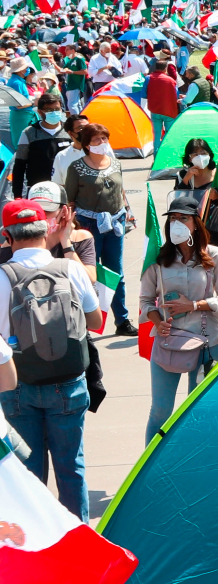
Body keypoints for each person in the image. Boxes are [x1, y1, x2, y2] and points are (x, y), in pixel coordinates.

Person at [0, 198, 105, 518]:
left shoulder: (3, 276)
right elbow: (96, 321)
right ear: (46, 231)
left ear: (7, 237)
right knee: (72, 469)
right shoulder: (71, 268)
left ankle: (40, 548)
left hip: (20, 384)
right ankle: (82, 547)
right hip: (69, 382)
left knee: (28, 474)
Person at [138, 190, 218, 443]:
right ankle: (150, 469)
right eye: (173, 219)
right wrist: (158, 323)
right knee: (160, 411)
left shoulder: (213, 255)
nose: (177, 224)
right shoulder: (158, 259)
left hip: (206, 343)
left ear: (196, 223)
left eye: (184, 218)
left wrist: (193, 305)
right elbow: (146, 301)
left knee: (198, 411)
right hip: (169, 342)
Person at [63, 121, 132, 335]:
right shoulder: (76, 168)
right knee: (88, 274)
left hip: (115, 224)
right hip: (88, 225)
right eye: (96, 140)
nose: (101, 143)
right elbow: (70, 199)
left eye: (104, 139)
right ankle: (89, 321)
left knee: (116, 272)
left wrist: (127, 211)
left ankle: (122, 320)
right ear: (86, 145)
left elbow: (121, 191)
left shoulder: (115, 163)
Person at [170, 137, 218, 253]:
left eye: (203, 153)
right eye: (195, 154)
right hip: (191, 227)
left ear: (209, 155)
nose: (200, 157)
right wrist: (187, 178)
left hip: (216, 227)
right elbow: (177, 200)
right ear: (189, 158)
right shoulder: (183, 174)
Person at [10, 90, 67, 199]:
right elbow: (19, 166)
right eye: (49, 110)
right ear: (40, 112)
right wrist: (17, 195)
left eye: (57, 109)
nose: (54, 112)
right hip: (38, 191)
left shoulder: (69, 132)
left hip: (65, 191)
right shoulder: (29, 133)